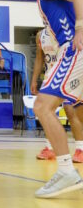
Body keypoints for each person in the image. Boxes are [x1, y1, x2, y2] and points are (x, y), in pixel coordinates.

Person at [19, 0, 83, 197]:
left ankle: (66, 171)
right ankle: (66, 169)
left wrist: (79, 29)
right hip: (68, 51)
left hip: (73, 50)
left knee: (42, 107)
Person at [32, 26, 83, 163]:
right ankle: (49, 148)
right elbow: (39, 58)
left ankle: (80, 148)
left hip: (68, 75)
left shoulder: (67, 32)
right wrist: (34, 79)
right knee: (46, 111)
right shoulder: (40, 35)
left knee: (70, 110)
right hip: (50, 77)